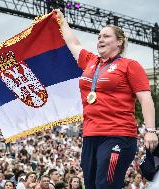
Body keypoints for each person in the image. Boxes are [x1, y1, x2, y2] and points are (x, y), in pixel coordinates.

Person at [55, 9, 158, 189]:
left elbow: (146, 98)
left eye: (106, 36)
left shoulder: (130, 66)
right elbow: (73, 43)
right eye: (99, 36)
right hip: (90, 135)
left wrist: (150, 130)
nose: (100, 39)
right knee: (93, 186)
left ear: (119, 42)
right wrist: (61, 21)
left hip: (118, 135)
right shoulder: (90, 61)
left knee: (106, 185)